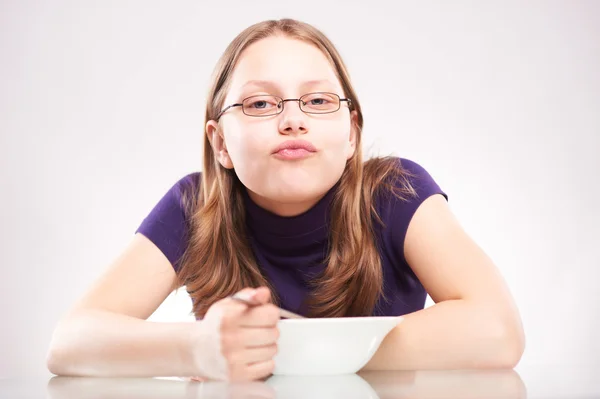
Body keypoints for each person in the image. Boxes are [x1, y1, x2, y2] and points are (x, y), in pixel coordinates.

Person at [46, 18, 525, 382]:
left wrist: (302, 351)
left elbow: (498, 330)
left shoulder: (395, 191)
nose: (292, 120)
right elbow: (69, 342)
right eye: (259, 104)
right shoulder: (194, 206)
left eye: (317, 101)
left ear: (352, 133)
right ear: (220, 144)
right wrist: (197, 348)